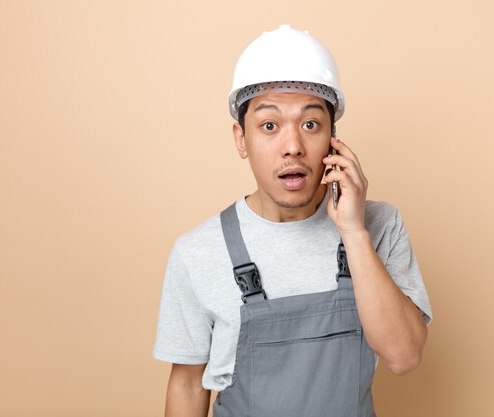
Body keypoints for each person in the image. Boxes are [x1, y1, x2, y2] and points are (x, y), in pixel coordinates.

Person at [153, 24, 432, 417]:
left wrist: (353, 233)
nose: (292, 146)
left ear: (334, 137)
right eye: (269, 126)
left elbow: (404, 356)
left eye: (310, 124)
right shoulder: (197, 252)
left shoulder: (380, 224)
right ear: (240, 138)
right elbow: (186, 384)